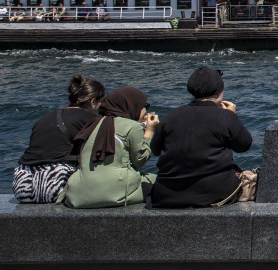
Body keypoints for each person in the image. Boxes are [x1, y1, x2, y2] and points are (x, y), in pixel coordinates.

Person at [150, 67, 254, 208]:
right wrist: (232, 116)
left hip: (165, 194)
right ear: (219, 92)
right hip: (214, 191)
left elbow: (155, 150)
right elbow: (244, 145)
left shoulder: (170, 116)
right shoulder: (225, 117)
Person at [12, 74, 105, 203]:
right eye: (101, 101)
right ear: (93, 101)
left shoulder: (44, 118)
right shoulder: (91, 119)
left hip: (22, 185)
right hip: (57, 184)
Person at [62, 86, 158, 209]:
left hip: (78, 194)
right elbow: (139, 160)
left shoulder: (93, 124)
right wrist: (149, 131)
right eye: (145, 105)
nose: (146, 109)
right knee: (160, 182)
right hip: (115, 192)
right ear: (132, 105)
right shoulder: (132, 126)